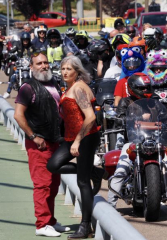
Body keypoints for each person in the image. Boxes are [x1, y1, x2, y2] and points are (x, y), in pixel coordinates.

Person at [47, 56, 107, 239]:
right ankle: (94, 172)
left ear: (77, 71)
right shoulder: (71, 87)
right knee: (53, 165)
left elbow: (90, 118)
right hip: (72, 137)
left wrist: (78, 141)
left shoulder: (79, 88)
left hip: (85, 137)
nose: (65, 72)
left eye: (69, 69)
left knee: (82, 182)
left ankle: (85, 226)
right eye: (63, 68)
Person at [13, 51, 69, 237]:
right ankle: (42, 224)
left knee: (54, 184)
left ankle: (51, 221)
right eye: (39, 63)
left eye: (46, 62)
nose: (44, 66)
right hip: (39, 144)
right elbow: (18, 115)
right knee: (42, 184)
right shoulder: (27, 87)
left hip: (55, 141)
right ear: (31, 67)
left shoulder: (54, 83)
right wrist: (33, 136)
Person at [107, 72, 154, 208]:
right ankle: (110, 206)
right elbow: (120, 118)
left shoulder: (154, 101)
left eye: (147, 87)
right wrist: (136, 118)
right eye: (142, 88)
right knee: (121, 170)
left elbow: (164, 115)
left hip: (154, 141)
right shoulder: (125, 101)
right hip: (133, 141)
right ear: (133, 88)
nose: (145, 90)